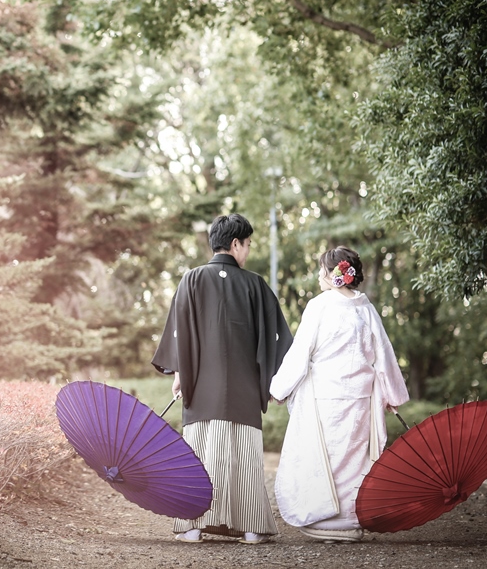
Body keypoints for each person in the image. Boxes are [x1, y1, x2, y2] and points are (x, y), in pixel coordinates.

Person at [151, 214, 292, 544]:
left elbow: (180, 333)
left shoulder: (192, 279)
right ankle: (252, 528)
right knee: (244, 458)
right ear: (235, 244)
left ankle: (193, 526)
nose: (249, 251)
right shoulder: (256, 285)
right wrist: (272, 381)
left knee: (200, 455)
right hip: (245, 390)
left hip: (201, 387)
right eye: (248, 244)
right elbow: (277, 338)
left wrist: (181, 374)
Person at [269, 246, 409, 543]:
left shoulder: (319, 306)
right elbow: (383, 354)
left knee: (326, 458)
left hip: (325, 396)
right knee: (355, 458)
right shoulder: (365, 307)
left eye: (322, 270)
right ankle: (351, 520)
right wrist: (392, 395)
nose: (319, 275)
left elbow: (300, 353)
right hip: (360, 398)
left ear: (334, 273)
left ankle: (327, 520)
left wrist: (279, 389)